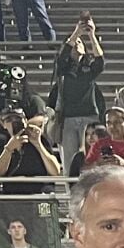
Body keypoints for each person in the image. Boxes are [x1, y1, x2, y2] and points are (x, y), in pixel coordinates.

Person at [49, 13, 106, 172]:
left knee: (90, 154)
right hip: (68, 117)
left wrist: (91, 35)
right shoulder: (64, 68)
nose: (76, 45)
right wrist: (76, 33)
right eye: (74, 43)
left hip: (89, 115)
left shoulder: (89, 68)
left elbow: (100, 62)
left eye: (79, 43)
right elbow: (61, 59)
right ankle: (71, 185)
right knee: (70, 158)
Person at [0, 113, 62, 194]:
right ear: (4, 124)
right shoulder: (1, 140)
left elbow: (55, 171)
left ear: (25, 121)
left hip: (39, 190)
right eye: (9, 120)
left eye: (17, 119)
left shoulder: (39, 137)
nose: (14, 123)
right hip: (12, 192)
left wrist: (38, 144)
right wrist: (9, 149)